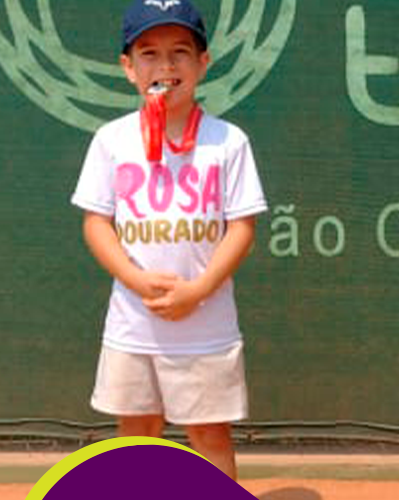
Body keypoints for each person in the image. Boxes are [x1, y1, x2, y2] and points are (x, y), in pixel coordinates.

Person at [71, 0, 267, 480]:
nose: (165, 66)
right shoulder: (111, 140)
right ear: (127, 67)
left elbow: (242, 227)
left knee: (209, 435)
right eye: (149, 53)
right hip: (133, 326)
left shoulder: (229, 141)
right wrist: (135, 279)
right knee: (137, 432)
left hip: (206, 329)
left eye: (180, 52)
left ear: (203, 63)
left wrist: (198, 290)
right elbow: (96, 223)